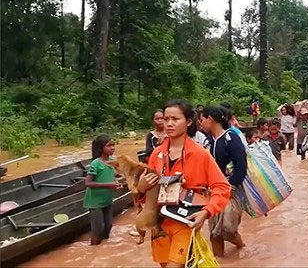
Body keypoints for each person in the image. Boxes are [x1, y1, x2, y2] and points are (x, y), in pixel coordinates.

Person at [137, 100, 231, 267]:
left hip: (185, 221)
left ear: (188, 122)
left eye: (175, 119)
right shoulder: (157, 154)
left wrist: (206, 212)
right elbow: (147, 197)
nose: (169, 124)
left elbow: (222, 187)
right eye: (166, 119)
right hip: (159, 223)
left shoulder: (200, 154)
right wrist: (141, 188)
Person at [201, 106, 248, 257]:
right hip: (212, 192)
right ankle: (219, 262)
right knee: (215, 233)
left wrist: (231, 186)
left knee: (228, 230)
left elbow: (241, 165)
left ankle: (241, 247)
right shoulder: (207, 142)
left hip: (231, 191)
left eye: (202, 120)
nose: (200, 124)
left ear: (210, 119)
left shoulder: (231, 138)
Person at [84, 134, 121, 246]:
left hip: (107, 199)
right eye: (109, 145)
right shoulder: (96, 164)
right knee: (98, 228)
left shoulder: (113, 160)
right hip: (95, 202)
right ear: (101, 148)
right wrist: (109, 185)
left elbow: (111, 175)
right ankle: (94, 247)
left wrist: (115, 182)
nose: (112, 148)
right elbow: (88, 183)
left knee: (109, 225)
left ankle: (104, 248)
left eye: (113, 145)